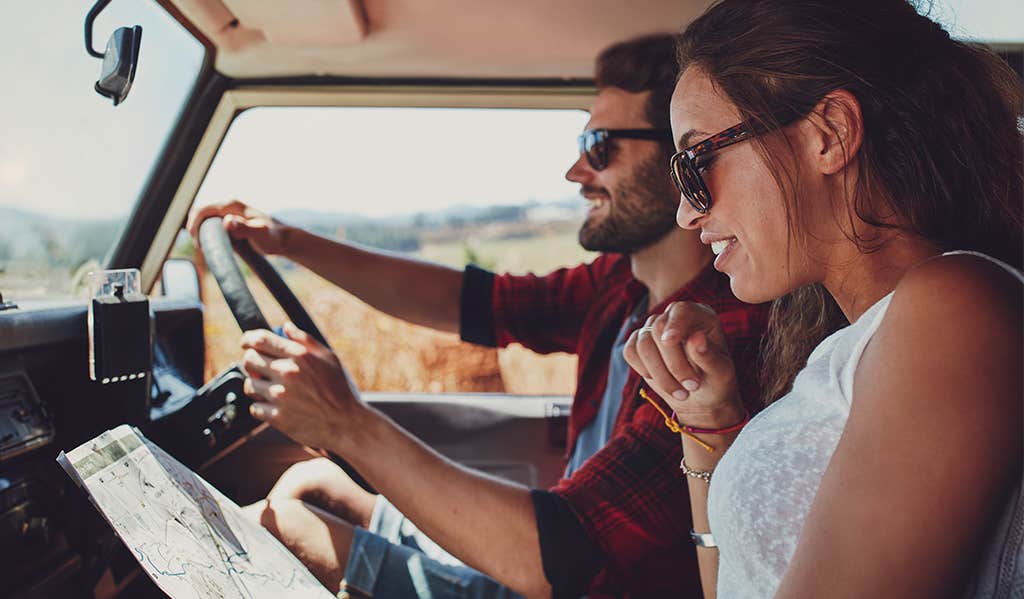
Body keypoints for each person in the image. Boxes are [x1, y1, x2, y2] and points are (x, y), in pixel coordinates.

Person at [189, 35, 769, 598]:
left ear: (678, 160)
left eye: (599, 145)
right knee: (307, 483)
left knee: (283, 529)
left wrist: (347, 421)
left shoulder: (713, 336)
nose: (576, 172)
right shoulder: (621, 286)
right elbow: (463, 301)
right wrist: (288, 241)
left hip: (579, 580)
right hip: (555, 558)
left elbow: (561, 560)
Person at [622, 1, 1024, 598]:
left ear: (829, 134)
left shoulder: (953, 306)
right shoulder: (859, 341)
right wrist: (710, 419)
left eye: (696, 162)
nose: (687, 211)